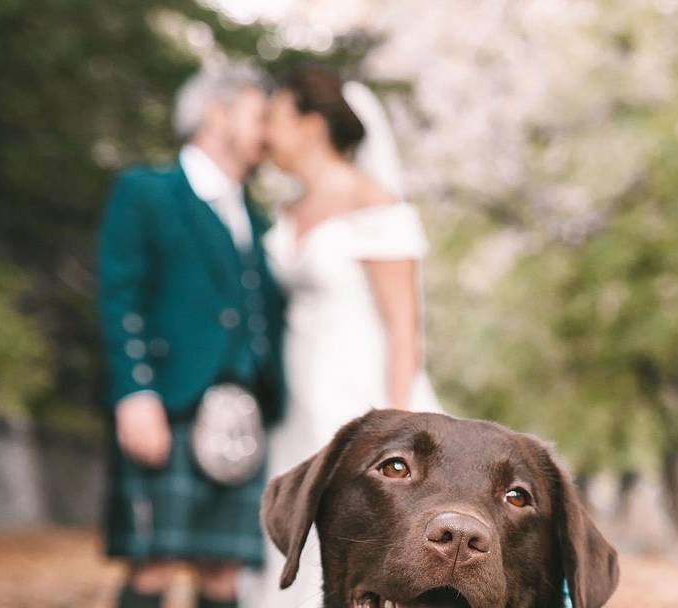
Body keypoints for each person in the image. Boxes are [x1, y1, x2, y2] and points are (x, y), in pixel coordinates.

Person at [245, 65, 441, 607]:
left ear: (310, 124)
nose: (265, 131)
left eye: (276, 116)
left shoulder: (373, 204)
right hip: (294, 393)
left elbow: (404, 323)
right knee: (292, 515)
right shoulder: (283, 210)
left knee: (355, 524)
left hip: (358, 386)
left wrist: (397, 426)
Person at [97, 63, 286, 608]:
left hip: (242, 415)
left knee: (222, 573)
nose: (266, 131)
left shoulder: (256, 218)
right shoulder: (146, 192)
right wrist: (135, 391)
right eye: (257, 115)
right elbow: (120, 297)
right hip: (169, 402)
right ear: (215, 114)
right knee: (153, 565)